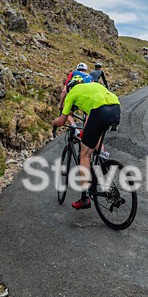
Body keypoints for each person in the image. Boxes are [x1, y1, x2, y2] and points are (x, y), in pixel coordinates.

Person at [52, 80, 121, 210]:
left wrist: (54, 123)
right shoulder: (93, 86)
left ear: (70, 89)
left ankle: (85, 198)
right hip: (116, 109)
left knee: (84, 154)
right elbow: (90, 118)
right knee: (96, 135)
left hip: (100, 112)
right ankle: (102, 160)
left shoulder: (72, 94)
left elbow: (61, 121)